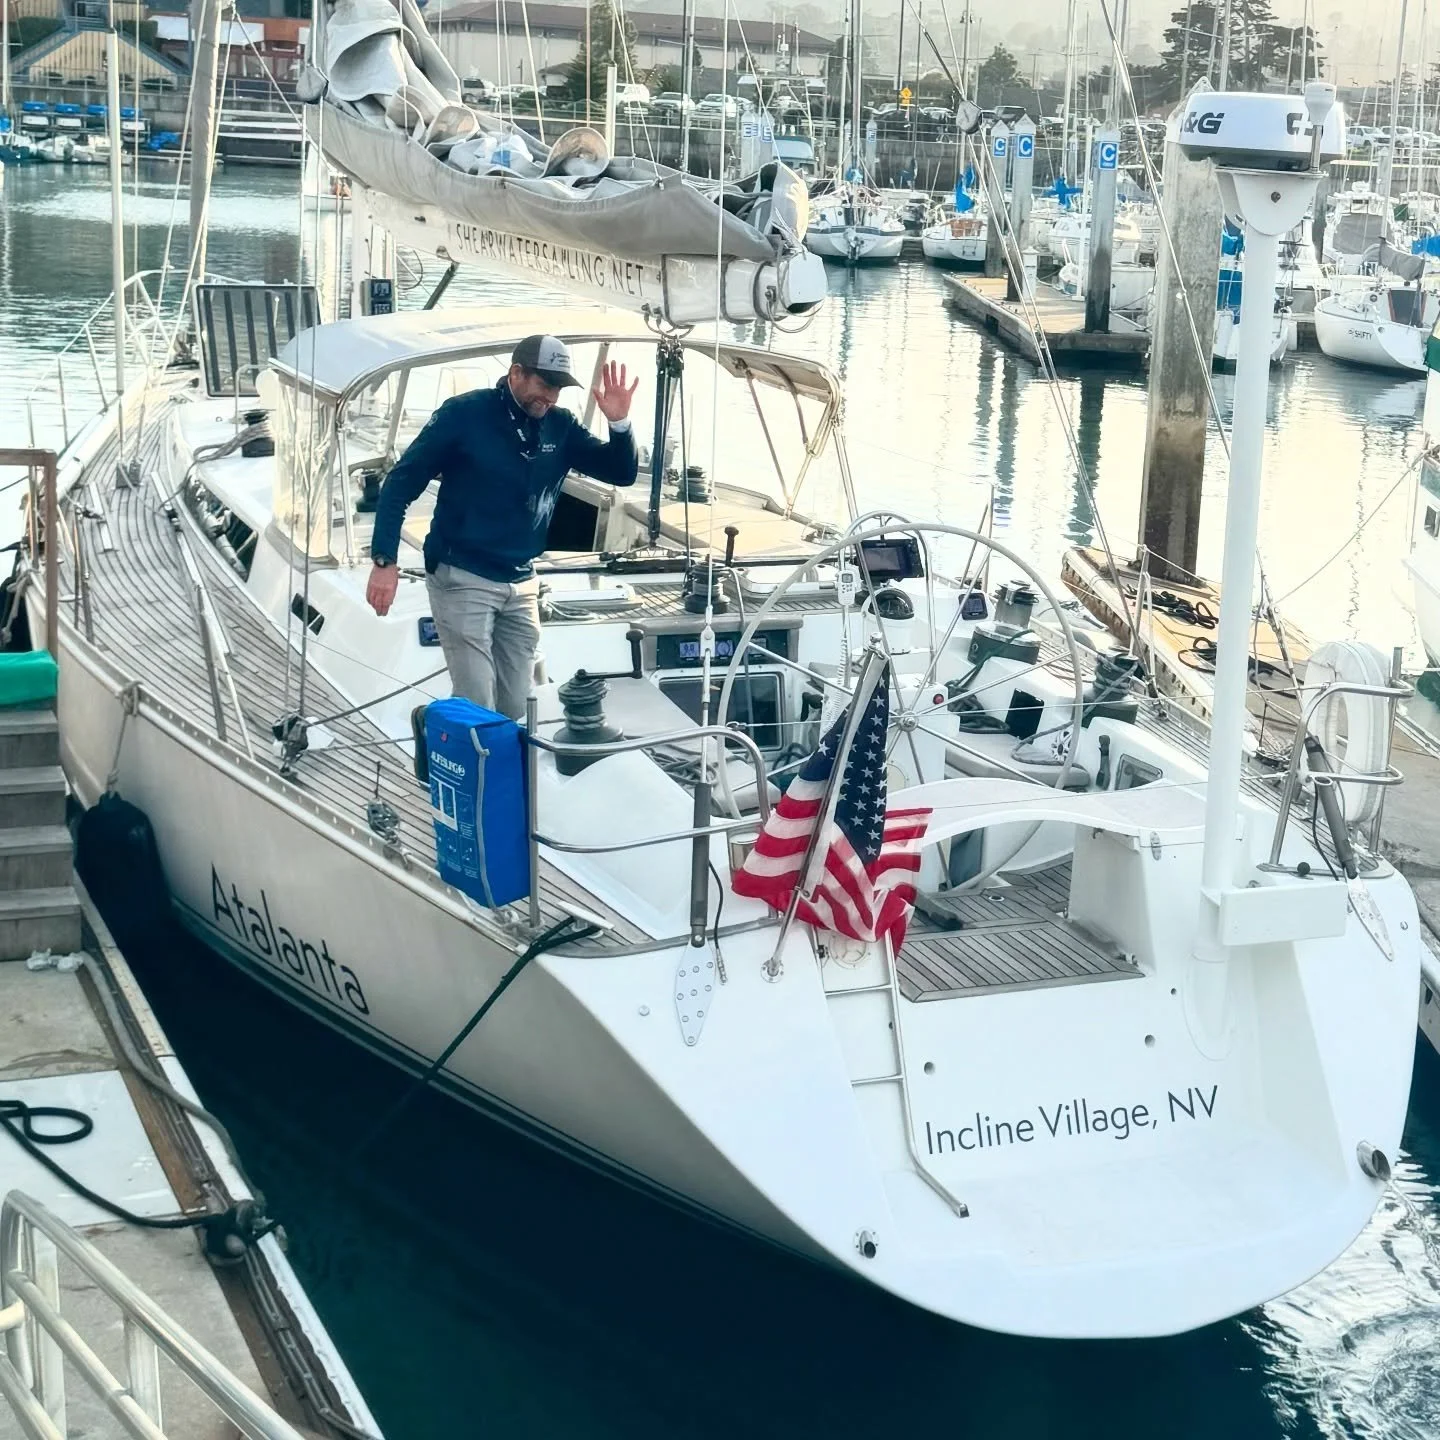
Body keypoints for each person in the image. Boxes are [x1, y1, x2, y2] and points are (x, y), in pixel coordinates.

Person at [366, 334, 640, 729]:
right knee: (477, 703)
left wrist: (619, 422)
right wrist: (384, 561)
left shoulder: (560, 427)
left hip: (522, 582)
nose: (551, 397)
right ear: (516, 373)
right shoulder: (463, 414)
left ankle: (506, 785)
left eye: (559, 389)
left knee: (516, 709)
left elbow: (621, 472)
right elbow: (399, 485)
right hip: (462, 576)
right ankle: (467, 777)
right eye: (545, 385)